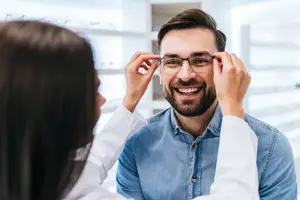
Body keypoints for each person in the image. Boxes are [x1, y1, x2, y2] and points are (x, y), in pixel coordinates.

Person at [0, 20, 258, 200]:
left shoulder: (30, 175)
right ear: (53, 109)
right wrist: (233, 109)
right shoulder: (138, 148)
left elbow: (88, 165)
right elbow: (236, 196)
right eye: (92, 91)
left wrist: (130, 101)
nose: (101, 101)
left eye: (200, 60)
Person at [116, 8, 298, 200]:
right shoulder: (135, 145)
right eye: (172, 62)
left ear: (223, 66)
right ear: (159, 71)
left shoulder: (271, 146)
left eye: (200, 60)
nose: (185, 75)